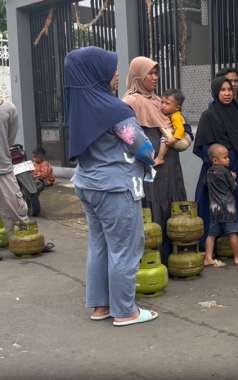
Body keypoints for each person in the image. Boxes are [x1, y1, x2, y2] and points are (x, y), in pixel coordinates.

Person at [65, 47, 158, 326]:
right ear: (96, 72)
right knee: (125, 247)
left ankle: (100, 306)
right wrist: (151, 156)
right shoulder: (113, 108)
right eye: (110, 68)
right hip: (115, 188)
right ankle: (125, 311)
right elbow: (141, 146)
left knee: (99, 245)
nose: (116, 73)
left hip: (87, 184)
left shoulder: (79, 105)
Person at [124, 57, 187, 264]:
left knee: (170, 201)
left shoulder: (158, 100)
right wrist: (145, 155)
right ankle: (154, 257)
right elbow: (127, 135)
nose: (155, 77)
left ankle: (174, 255)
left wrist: (184, 137)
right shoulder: (130, 102)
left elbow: (177, 123)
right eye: (150, 73)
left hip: (169, 164)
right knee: (153, 206)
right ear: (137, 75)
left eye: (156, 73)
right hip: (149, 165)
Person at [194, 77, 238, 255]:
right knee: (217, 205)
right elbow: (203, 145)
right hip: (217, 170)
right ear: (216, 92)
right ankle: (213, 246)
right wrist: (217, 163)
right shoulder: (209, 115)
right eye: (223, 90)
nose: (227, 93)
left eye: (230, 90)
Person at [203, 144, 238, 267]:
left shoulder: (209, 172)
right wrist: (233, 178)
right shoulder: (225, 172)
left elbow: (206, 185)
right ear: (215, 160)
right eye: (225, 157)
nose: (228, 159)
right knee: (232, 232)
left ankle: (208, 257)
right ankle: (237, 257)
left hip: (214, 207)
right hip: (228, 207)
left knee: (212, 233)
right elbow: (234, 187)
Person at [0, 98, 29, 261]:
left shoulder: (9, 108)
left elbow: (10, 139)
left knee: (17, 209)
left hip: (3, 168)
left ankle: (26, 242)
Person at [154, 89, 191, 166]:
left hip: (183, 140)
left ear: (177, 108)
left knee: (165, 136)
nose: (163, 105)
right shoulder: (171, 114)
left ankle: (160, 158)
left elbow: (180, 129)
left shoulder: (176, 116)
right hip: (182, 137)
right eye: (162, 102)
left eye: (167, 103)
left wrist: (173, 139)